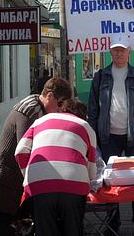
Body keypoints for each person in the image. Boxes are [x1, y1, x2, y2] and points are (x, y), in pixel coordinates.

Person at [0, 77, 73, 236]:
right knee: (7, 227)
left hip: (17, 180)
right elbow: (28, 151)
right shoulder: (31, 111)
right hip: (6, 180)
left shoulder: (39, 107)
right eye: (60, 104)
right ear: (49, 96)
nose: (60, 110)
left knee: (23, 226)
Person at [88, 34, 134, 236]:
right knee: (108, 181)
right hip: (108, 137)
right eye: (115, 49)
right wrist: (94, 137)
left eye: (122, 49)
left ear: (129, 52)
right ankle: (112, 223)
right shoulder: (101, 76)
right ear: (110, 52)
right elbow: (93, 111)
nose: (119, 53)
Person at [15, 99, 97, 236]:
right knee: (73, 230)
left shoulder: (39, 121)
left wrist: (28, 174)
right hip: (74, 185)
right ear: (83, 116)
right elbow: (92, 168)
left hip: (39, 186)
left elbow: (20, 151)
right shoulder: (86, 126)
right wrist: (86, 180)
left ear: (61, 109)